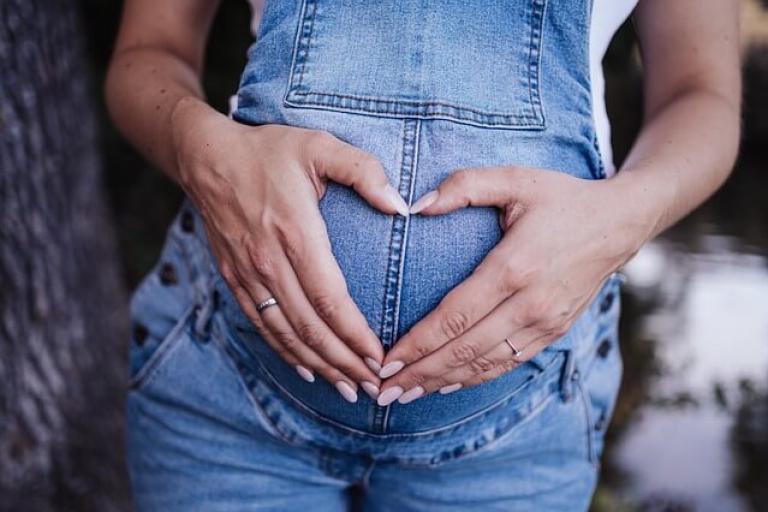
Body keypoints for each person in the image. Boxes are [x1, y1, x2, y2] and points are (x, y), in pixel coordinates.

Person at [105, 0, 740, 510]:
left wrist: (622, 217)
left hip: (518, 433)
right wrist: (200, 149)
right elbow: (148, 53)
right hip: (226, 396)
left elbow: (700, 94)